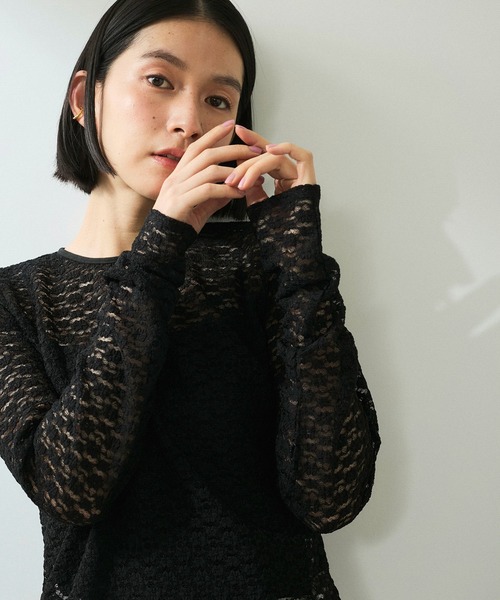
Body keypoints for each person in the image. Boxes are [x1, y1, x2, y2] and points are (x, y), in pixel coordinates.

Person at [0, 0, 380, 598]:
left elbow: (330, 498)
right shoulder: (16, 298)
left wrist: (299, 265)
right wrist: (160, 248)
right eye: (159, 80)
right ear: (83, 98)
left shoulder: (265, 267)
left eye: (218, 100)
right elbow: (72, 490)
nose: (189, 121)